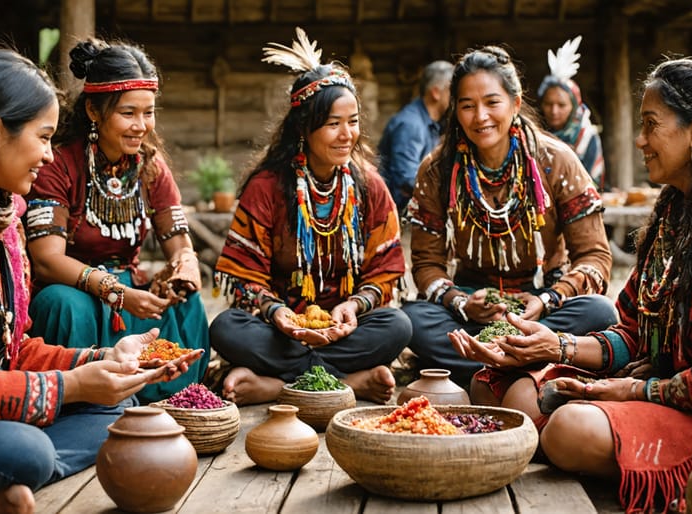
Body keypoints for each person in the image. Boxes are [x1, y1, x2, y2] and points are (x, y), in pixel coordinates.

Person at [449, 54, 692, 513]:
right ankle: (549, 427)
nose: (639, 139)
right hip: (663, 384)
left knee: (568, 429)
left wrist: (636, 391)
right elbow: (632, 330)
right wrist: (555, 347)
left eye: (650, 124)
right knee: (498, 390)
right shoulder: (675, 208)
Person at [0, 47, 202, 513]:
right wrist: (68, 387)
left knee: (115, 409)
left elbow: (12, 352)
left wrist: (103, 361)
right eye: (43, 137)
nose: (50, 154)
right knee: (25, 451)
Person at [210, 28, 411, 406]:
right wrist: (279, 313)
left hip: (346, 329)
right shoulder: (267, 187)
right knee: (226, 329)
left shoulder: (370, 187)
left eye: (353, 122)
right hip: (279, 330)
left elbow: (385, 274)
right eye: (333, 123)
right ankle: (352, 383)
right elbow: (244, 278)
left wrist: (353, 307)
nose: (346, 135)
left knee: (398, 325)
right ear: (304, 128)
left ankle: (273, 386)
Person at [402, 45, 617, 394]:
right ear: (454, 111)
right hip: (472, 310)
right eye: (467, 106)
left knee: (599, 312)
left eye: (492, 102)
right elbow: (427, 263)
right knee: (411, 321)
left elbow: (596, 258)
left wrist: (548, 299)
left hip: (545, 306)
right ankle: (528, 364)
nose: (480, 116)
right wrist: (461, 302)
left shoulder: (555, 161)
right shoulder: (438, 170)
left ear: (515, 104)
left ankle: (487, 363)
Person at [23, 38, 211, 404]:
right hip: (78, 292)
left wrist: (184, 270)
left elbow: (180, 245)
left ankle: (175, 396)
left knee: (189, 304)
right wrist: (119, 295)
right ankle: (82, 396)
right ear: (94, 111)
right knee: (61, 303)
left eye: (149, 112)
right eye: (128, 113)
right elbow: (46, 259)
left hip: (131, 290)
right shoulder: (59, 164)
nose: (141, 126)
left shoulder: (151, 167)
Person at [378, 60, 454, 212]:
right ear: (436, 92)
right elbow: (406, 178)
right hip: (397, 217)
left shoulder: (429, 122)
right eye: (451, 90)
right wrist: (447, 195)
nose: (455, 97)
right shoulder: (411, 125)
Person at [537, 36, 606, 189]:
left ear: (574, 107)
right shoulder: (535, 135)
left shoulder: (586, 138)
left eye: (561, 105)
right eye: (549, 104)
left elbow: (593, 183)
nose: (554, 111)